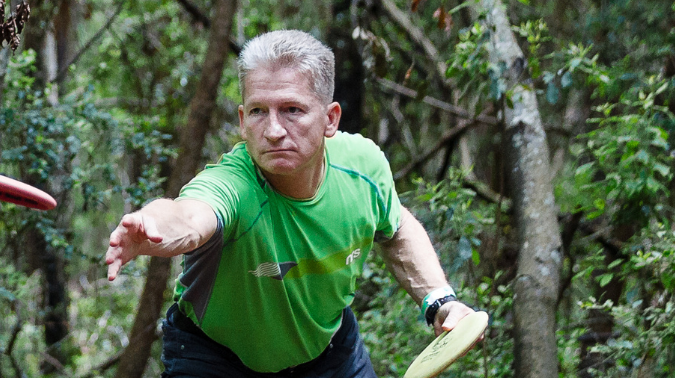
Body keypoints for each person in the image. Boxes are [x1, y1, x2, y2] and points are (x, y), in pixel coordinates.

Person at [103, 30, 478, 377]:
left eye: (292, 110)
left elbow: (395, 227)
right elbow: (191, 213)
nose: (274, 130)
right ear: (241, 120)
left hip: (330, 352)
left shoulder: (363, 167)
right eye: (258, 111)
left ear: (330, 119)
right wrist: (153, 224)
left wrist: (439, 301)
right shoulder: (235, 183)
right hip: (214, 356)